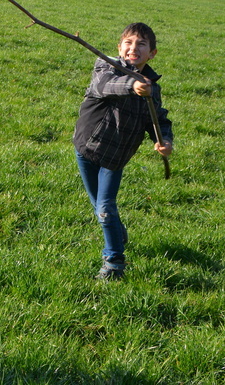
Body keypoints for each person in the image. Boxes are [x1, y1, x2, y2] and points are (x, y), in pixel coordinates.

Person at [72, 22, 173, 280]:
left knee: (105, 207)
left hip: (116, 156)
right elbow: (104, 86)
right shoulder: (105, 65)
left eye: (141, 44)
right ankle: (116, 229)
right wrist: (132, 85)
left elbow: (157, 119)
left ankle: (114, 262)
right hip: (87, 146)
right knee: (100, 208)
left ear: (152, 53)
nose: (133, 48)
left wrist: (164, 141)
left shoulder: (152, 88)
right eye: (128, 43)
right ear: (119, 48)